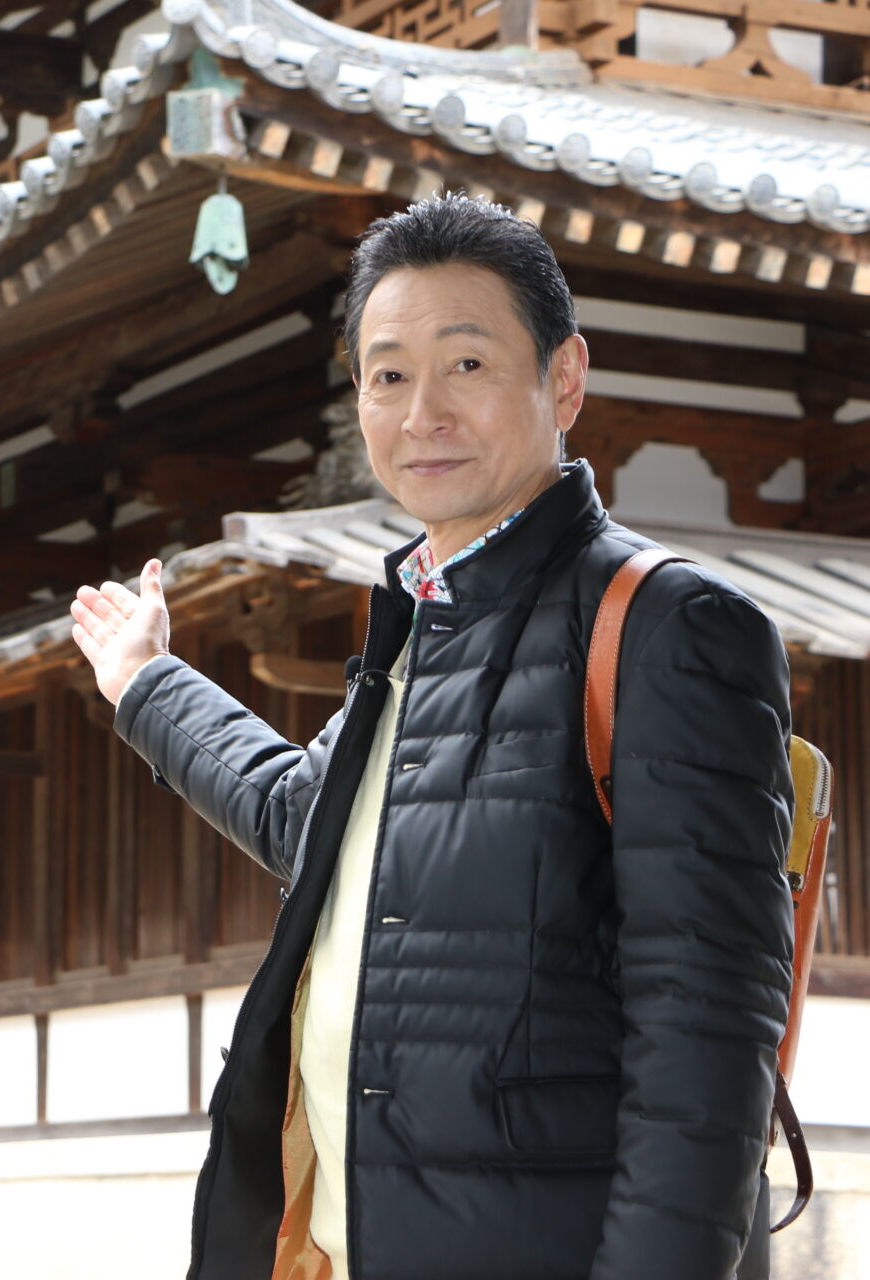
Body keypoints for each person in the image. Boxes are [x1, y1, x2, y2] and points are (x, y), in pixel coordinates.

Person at [71, 195, 793, 1280]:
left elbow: (707, 1032)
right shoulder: (422, 622)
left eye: (465, 364)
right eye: (388, 374)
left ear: (564, 377)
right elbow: (303, 816)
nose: (421, 413)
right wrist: (142, 679)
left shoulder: (665, 623)